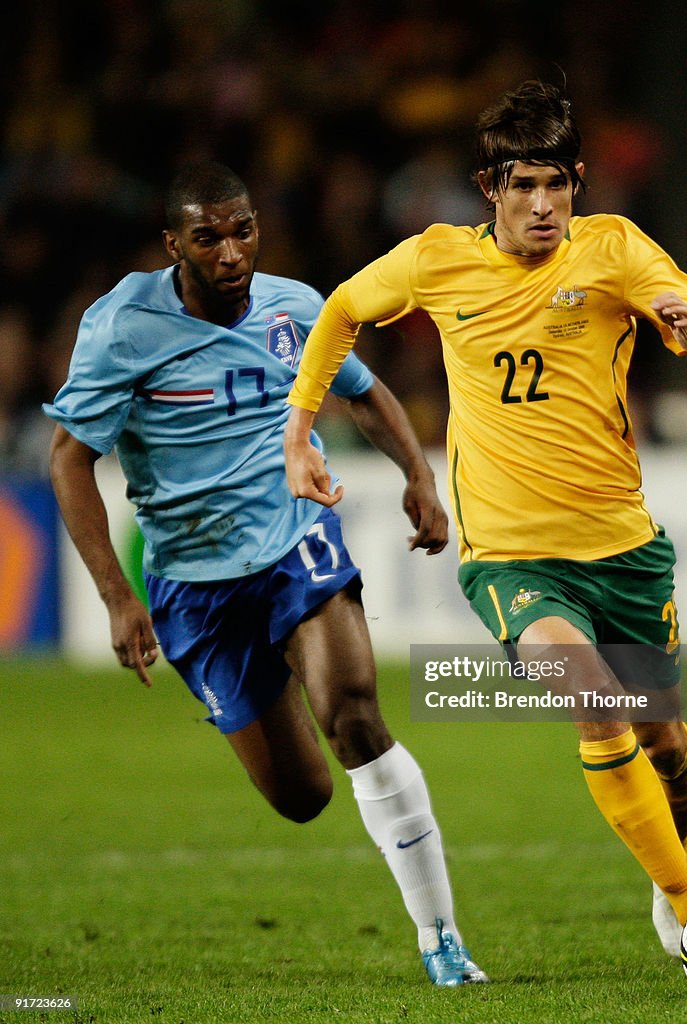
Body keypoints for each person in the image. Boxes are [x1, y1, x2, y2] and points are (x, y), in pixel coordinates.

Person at [284, 79, 687, 958]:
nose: (543, 206)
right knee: (598, 706)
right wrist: (299, 432)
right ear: (489, 188)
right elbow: (341, 310)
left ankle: (676, 862)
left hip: (623, 550)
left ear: (579, 182)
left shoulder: (615, 251)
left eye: (558, 186)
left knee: (667, 743)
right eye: (523, 187)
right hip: (510, 556)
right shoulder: (435, 260)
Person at [44, 160, 487, 987]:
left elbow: (365, 393)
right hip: (192, 581)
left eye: (242, 229)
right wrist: (117, 595)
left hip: (295, 541)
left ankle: (441, 939)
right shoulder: (121, 328)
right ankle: (279, 668)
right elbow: (69, 459)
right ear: (173, 243)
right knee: (302, 795)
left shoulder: (298, 308)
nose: (230, 251)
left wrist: (419, 479)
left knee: (353, 713)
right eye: (207, 237)